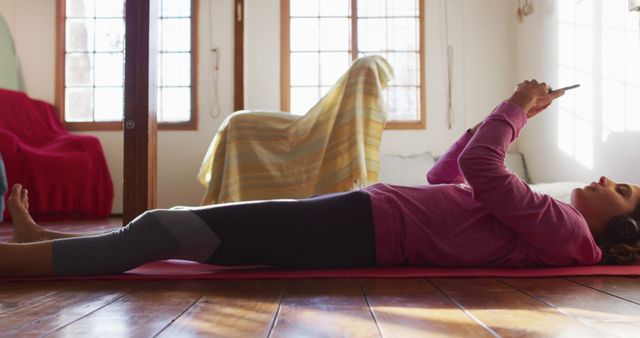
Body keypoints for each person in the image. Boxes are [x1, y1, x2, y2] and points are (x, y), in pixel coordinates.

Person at [1, 80, 639, 277]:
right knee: (162, 231)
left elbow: (481, 168)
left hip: (359, 229)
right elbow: (456, 174)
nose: (610, 178)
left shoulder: (563, 229)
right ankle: (34, 245)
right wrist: (490, 120)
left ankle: (17, 262)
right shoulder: (553, 222)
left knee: (157, 232)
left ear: (627, 226)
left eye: (626, 190)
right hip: (361, 217)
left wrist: (517, 110)